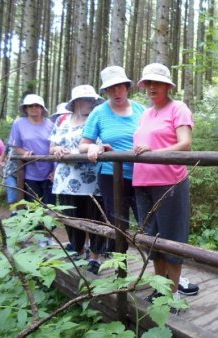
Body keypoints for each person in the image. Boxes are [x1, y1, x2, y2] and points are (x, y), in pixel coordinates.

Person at [133, 63, 198, 309]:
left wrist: (154, 151)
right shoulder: (145, 114)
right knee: (151, 239)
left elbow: (185, 144)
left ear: (168, 86)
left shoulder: (178, 108)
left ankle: (173, 294)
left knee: (172, 239)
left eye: (157, 83)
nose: (151, 87)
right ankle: (160, 290)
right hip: (142, 183)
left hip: (170, 181)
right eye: (148, 83)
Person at [79, 66, 145, 255]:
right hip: (111, 176)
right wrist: (93, 147)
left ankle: (161, 271)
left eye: (120, 87)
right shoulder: (99, 112)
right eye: (111, 88)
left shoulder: (142, 110)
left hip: (143, 175)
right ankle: (120, 270)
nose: (116, 92)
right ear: (106, 90)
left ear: (127, 87)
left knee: (147, 222)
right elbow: (83, 144)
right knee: (118, 223)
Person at [50, 85, 106, 274]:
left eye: (92, 100)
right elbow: (52, 147)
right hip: (66, 181)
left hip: (92, 180)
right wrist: (56, 150)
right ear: (75, 102)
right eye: (86, 99)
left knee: (95, 219)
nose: (90, 103)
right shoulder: (61, 120)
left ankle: (95, 257)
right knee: (72, 219)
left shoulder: (97, 119)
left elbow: (103, 145)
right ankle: (79, 251)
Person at [9, 94, 56, 246]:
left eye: (37, 105)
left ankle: (49, 237)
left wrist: (55, 169)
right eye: (30, 106)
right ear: (25, 108)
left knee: (50, 206)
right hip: (29, 172)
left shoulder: (50, 124)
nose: (34, 108)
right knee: (34, 206)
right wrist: (24, 153)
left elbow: (55, 147)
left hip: (49, 171)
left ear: (42, 108)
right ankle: (40, 237)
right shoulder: (19, 123)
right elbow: (16, 146)